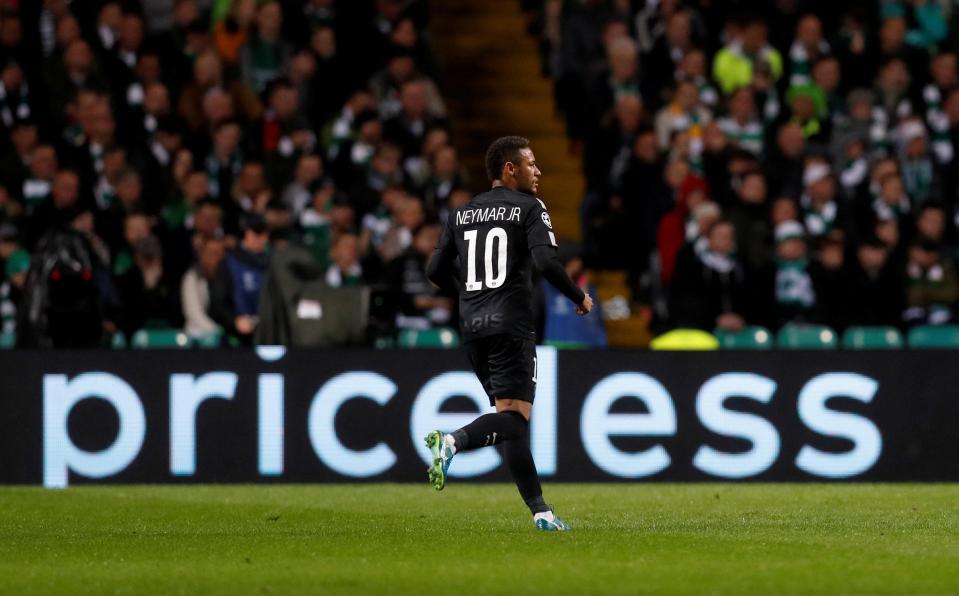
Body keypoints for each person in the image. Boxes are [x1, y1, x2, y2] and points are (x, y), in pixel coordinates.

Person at [424, 136, 593, 531]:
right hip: (511, 326)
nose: (539, 172)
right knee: (515, 420)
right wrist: (578, 295)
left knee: (508, 418)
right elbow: (547, 262)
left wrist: (468, 292)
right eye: (531, 164)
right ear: (509, 169)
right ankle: (452, 442)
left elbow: (434, 272)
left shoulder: (461, 213)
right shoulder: (530, 207)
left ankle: (541, 512)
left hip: (472, 329)